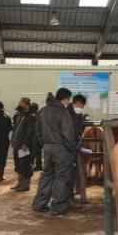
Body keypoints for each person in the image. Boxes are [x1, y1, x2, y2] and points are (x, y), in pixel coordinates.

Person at [32, 88, 76, 216]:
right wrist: (72, 149)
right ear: (66, 99)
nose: (69, 102)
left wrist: (45, 143)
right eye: (69, 100)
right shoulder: (63, 112)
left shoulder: (42, 111)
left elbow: (37, 130)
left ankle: (39, 204)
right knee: (61, 177)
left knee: (46, 175)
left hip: (47, 148)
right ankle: (58, 207)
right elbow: (68, 134)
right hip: (61, 149)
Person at [10, 97, 36, 192]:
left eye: (21, 103)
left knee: (25, 164)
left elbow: (30, 131)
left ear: (27, 104)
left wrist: (26, 143)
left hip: (24, 146)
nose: (19, 104)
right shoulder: (19, 115)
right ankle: (20, 183)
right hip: (17, 144)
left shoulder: (31, 116)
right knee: (18, 164)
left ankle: (25, 185)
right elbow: (15, 129)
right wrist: (13, 140)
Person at [68, 94, 87, 198]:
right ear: (78, 103)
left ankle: (69, 193)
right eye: (82, 105)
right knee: (65, 172)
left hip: (74, 147)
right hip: (66, 148)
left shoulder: (78, 115)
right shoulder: (66, 113)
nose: (82, 108)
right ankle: (64, 196)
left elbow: (78, 130)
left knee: (72, 171)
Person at [30, 102, 42, 172]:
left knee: (33, 151)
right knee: (38, 152)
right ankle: (38, 165)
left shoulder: (32, 116)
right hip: (39, 136)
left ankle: (34, 165)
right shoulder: (40, 115)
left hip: (34, 136)